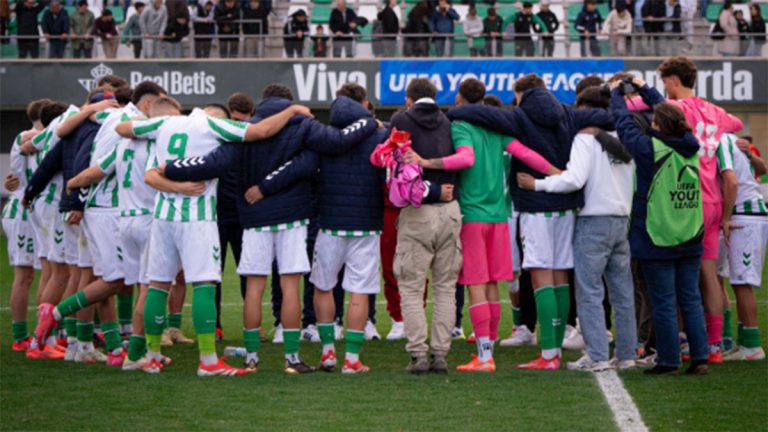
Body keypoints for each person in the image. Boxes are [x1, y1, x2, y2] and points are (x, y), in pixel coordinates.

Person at [161, 84, 378, 374]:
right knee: (290, 287)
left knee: (254, 288)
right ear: (289, 103)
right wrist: (368, 121)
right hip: (292, 216)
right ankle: (291, 358)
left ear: (262, 102)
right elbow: (330, 146)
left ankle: (252, 356)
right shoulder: (302, 123)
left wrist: (171, 169)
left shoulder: (245, 128)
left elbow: (215, 162)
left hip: (253, 218)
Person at [114, 96, 311, 376]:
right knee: (204, 283)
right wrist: (291, 110)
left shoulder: (166, 122)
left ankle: (149, 355)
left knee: (156, 285)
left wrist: (172, 183)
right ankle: (208, 361)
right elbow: (261, 131)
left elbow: (123, 129)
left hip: (162, 216)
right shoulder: (214, 127)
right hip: (197, 217)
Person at [447, 73, 615, 371]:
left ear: (521, 94)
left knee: (540, 277)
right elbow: (606, 115)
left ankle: (548, 354)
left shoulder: (519, 116)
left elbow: (479, 112)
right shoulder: (566, 112)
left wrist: (455, 109)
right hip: (566, 204)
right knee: (561, 276)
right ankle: (556, 347)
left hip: (536, 204)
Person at [407, 78, 552, 372]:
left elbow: (466, 158)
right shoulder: (497, 128)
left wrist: (426, 162)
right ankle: (488, 352)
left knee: (475, 284)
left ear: (459, 100)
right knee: (492, 286)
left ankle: (485, 357)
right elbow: (526, 154)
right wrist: (558, 172)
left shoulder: (461, 126)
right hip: (499, 216)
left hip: (473, 216)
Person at [518, 86, 638, 371]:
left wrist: (537, 184)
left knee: (589, 292)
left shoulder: (585, 138)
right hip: (621, 219)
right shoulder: (623, 136)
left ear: (584, 109)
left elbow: (575, 179)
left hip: (593, 220)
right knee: (622, 292)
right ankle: (627, 353)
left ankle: (597, 355)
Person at [610, 76, 709, 376]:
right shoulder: (691, 145)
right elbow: (670, 113)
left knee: (664, 301)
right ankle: (700, 357)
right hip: (690, 233)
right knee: (690, 298)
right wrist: (645, 89)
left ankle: (668, 360)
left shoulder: (648, 148)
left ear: (657, 125)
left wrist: (616, 93)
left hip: (657, 235)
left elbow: (623, 122)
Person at [656, 56, 742, 363]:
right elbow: (737, 124)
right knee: (709, 275)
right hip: (715, 201)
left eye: (664, 82)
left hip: (689, 199)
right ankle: (715, 346)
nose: (663, 88)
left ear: (674, 81)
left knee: (679, 274)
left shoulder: (676, 109)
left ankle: (683, 341)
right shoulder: (715, 111)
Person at [385, 78, 461, 374]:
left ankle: (417, 354)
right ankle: (440, 353)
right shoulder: (448, 119)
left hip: (418, 212)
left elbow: (399, 168)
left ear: (408, 98)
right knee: (445, 286)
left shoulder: (401, 120)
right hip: (450, 209)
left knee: (412, 287)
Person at [3, 100, 51, 353]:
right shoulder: (29, 136)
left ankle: (42, 332)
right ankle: (21, 336)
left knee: (45, 272)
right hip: (23, 210)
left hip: (32, 209)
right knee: (26, 276)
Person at [717, 134, 767, 361]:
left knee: (742, 282)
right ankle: (743, 341)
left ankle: (753, 346)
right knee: (738, 280)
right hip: (749, 215)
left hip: (745, 216)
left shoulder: (723, 141)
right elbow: (762, 168)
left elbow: (732, 181)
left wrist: (725, 218)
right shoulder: (734, 140)